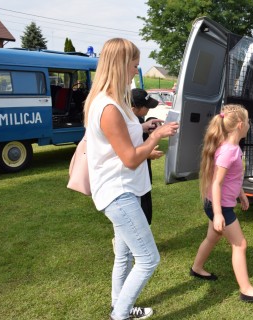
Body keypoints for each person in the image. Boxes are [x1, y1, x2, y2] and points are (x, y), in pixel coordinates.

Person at [83, 38, 179, 320]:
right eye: (135, 66)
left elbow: (120, 145)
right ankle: (120, 315)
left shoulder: (114, 102)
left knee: (124, 257)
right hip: (118, 193)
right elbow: (129, 158)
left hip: (124, 189)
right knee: (149, 259)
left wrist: (145, 130)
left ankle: (118, 305)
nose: (136, 71)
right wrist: (157, 137)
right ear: (121, 65)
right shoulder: (109, 107)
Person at [190, 104, 253, 303]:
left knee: (212, 237)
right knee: (240, 244)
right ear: (241, 125)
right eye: (249, 121)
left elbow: (231, 179)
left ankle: (197, 268)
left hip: (218, 203)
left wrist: (241, 194)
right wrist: (218, 214)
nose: (250, 125)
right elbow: (216, 183)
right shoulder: (229, 151)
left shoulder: (232, 148)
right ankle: (246, 289)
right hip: (220, 206)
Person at [131, 88, 165, 225]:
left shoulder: (136, 120)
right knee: (138, 218)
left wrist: (148, 125)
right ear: (135, 107)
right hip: (133, 180)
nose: (149, 110)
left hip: (143, 176)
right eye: (147, 107)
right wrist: (148, 154)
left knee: (144, 214)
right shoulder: (126, 123)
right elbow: (127, 152)